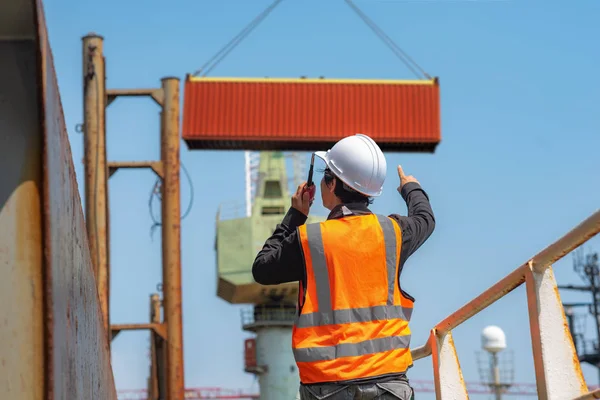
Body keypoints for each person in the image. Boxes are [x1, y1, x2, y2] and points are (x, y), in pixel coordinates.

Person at [252, 133, 436, 400]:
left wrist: (296, 216)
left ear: (333, 183)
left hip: (327, 388)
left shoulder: (309, 240)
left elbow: (262, 268)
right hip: (390, 387)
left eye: (326, 175)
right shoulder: (393, 233)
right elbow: (425, 218)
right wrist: (410, 187)